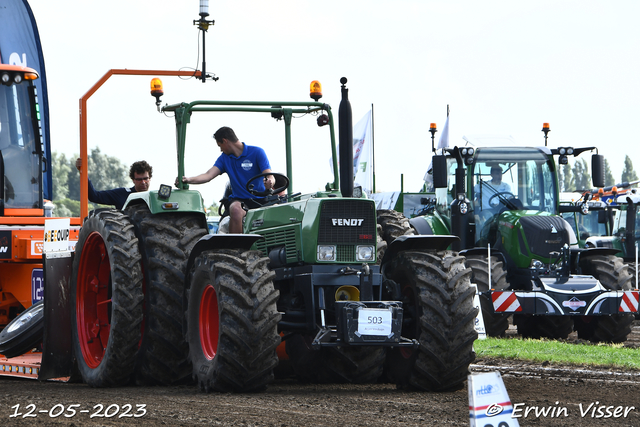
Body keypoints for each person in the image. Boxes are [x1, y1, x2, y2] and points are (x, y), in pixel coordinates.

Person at [181, 126, 274, 234]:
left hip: (261, 199)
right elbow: (208, 175)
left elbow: (269, 175)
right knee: (235, 209)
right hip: (241, 201)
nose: (221, 149)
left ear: (225, 141)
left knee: (280, 210)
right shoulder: (224, 158)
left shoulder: (257, 152)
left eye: (220, 145)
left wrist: (270, 182)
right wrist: (188, 179)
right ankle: (236, 248)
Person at [76, 158, 152, 210]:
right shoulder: (122, 194)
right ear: (133, 180)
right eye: (139, 179)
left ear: (150, 178)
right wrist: (83, 172)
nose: (143, 182)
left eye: (145, 179)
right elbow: (95, 196)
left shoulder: (155, 198)